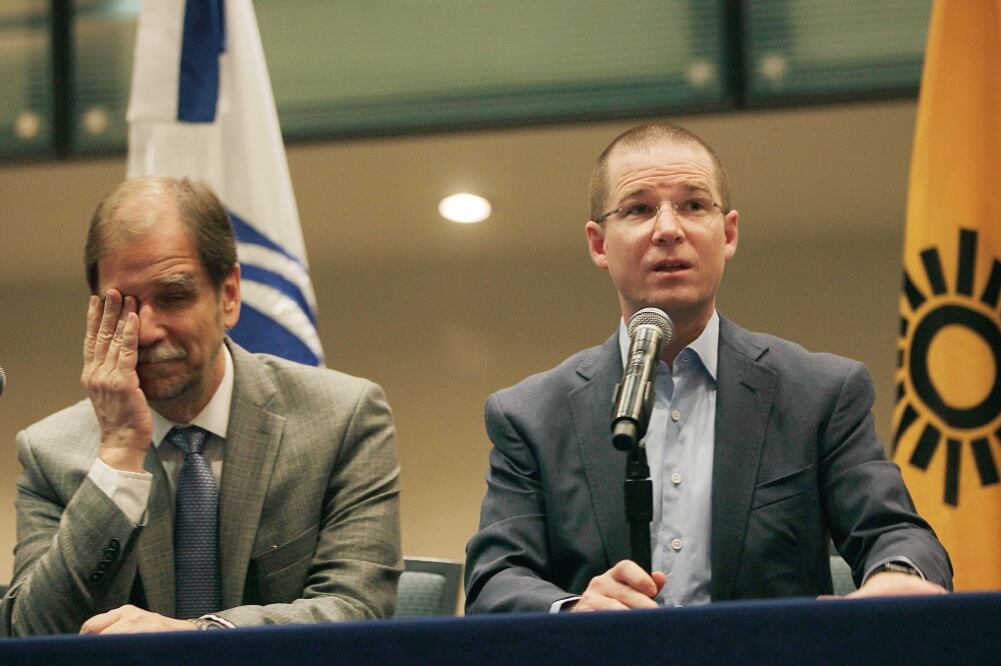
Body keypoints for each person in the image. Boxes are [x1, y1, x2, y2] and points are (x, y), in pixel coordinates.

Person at [464, 122, 951, 614]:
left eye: (694, 205)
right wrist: (573, 610)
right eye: (638, 209)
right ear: (598, 244)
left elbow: (896, 533)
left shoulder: (820, 393)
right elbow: (496, 579)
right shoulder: (530, 415)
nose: (669, 229)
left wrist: (896, 574)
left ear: (729, 233)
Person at [3, 176, 401, 635]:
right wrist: (118, 458)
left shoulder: (342, 419)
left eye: (173, 297)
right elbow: (31, 634)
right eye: (123, 305)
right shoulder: (49, 453)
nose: (147, 330)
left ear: (229, 295)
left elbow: (358, 610)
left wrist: (197, 637)